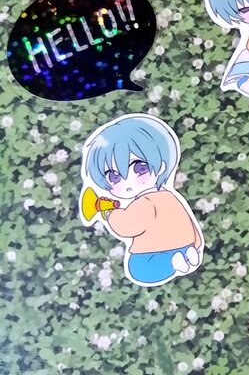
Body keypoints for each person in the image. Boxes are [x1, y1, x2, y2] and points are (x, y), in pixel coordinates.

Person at [82, 115, 203, 286]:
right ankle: (185, 255)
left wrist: (110, 214)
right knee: (172, 255)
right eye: (114, 177)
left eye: (139, 168)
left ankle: (172, 262)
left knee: (138, 270)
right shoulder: (170, 197)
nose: (128, 182)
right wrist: (196, 242)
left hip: (153, 253)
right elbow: (187, 220)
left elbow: (127, 226)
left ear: (161, 166)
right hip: (185, 244)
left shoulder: (144, 203)